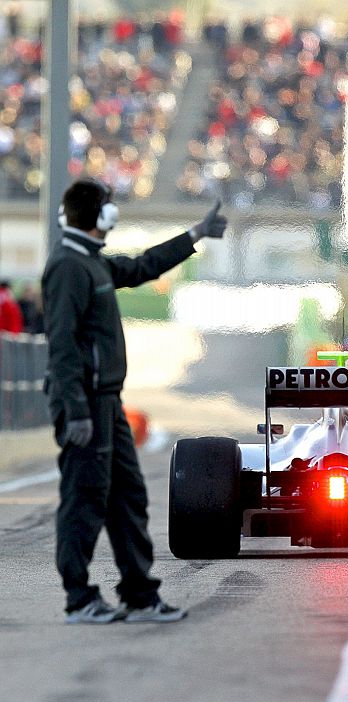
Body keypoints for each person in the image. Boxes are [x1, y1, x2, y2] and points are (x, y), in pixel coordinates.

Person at [42, 179, 227, 624]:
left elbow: (143, 266)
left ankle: (139, 595)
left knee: (127, 497)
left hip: (107, 403)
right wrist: (77, 410)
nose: (113, 212)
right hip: (86, 402)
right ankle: (79, 599)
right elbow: (62, 346)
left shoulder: (90, 262)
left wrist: (194, 236)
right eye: (109, 205)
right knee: (84, 499)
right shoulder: (69, 267)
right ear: (99, 215)